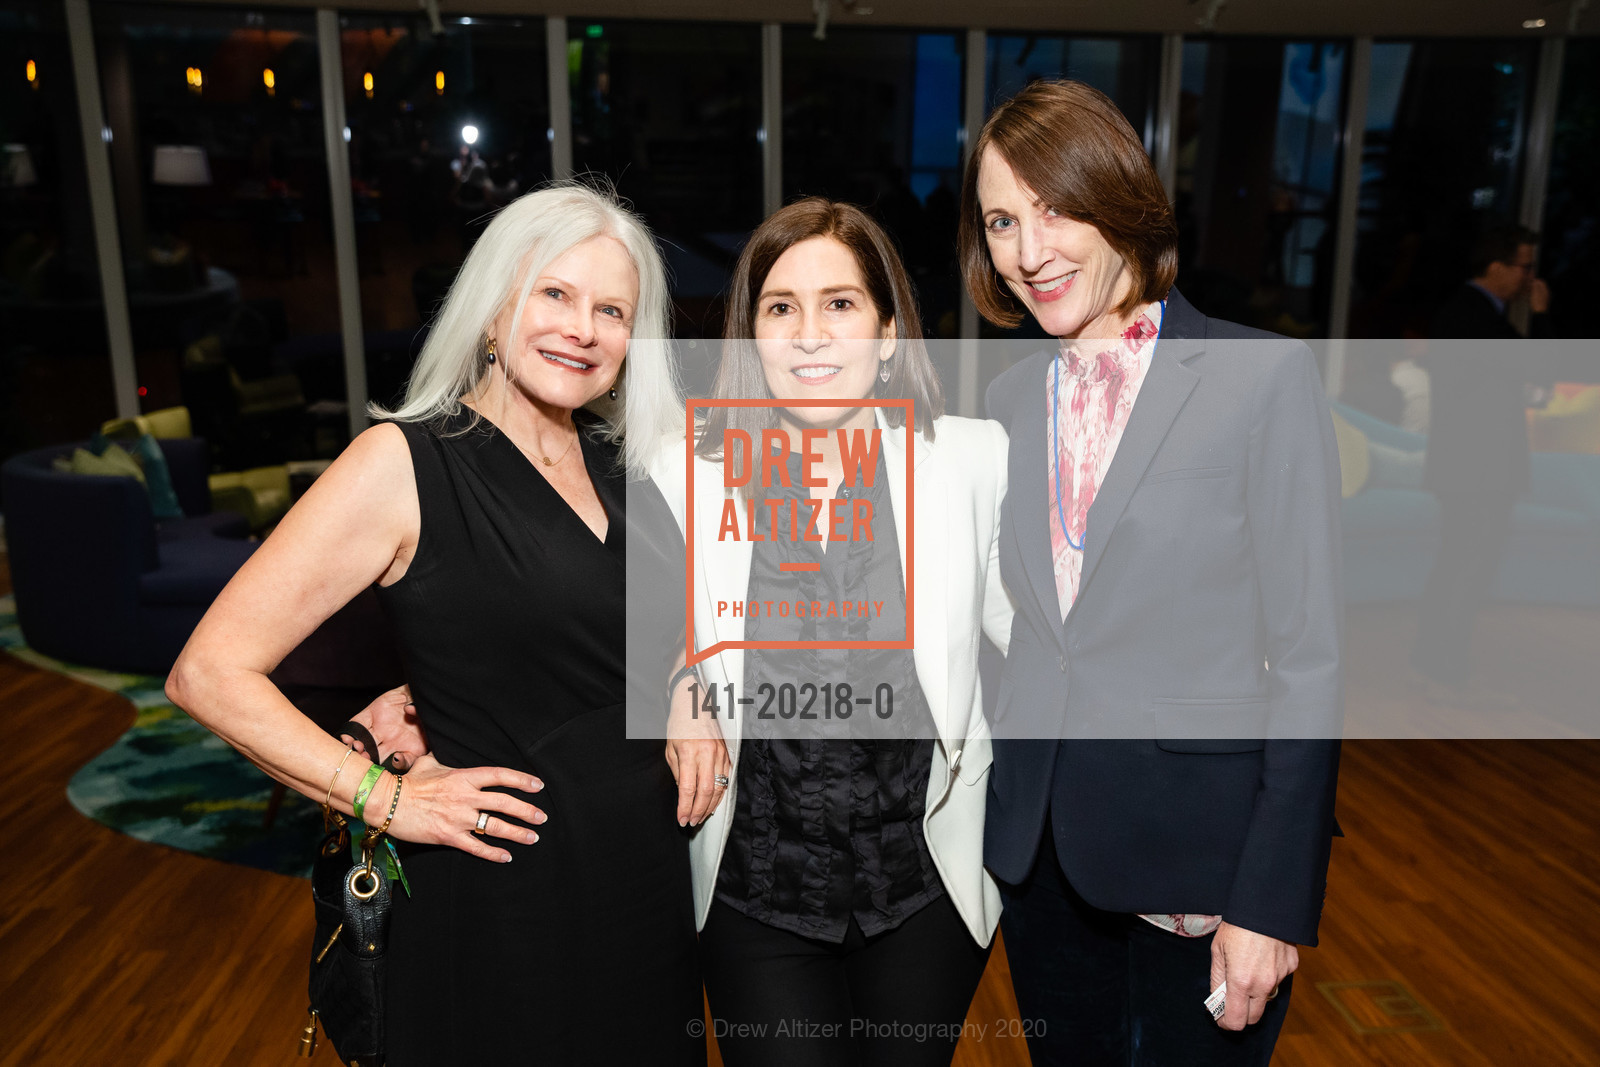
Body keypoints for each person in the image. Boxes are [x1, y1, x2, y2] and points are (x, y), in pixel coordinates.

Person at [165, 184, 706, 1064]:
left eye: (613, 310)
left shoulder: (620, 458)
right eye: (555, 294)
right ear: (495, 308)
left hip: (641, 877)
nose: (584, 327)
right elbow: (209, 672)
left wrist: (687, 690)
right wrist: (387, 798)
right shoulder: (404, 462)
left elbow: (640, 626)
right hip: (502, 896)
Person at [959, 80, 1343, 1065]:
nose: (1028, 250)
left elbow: (1309, 659)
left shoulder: (1262, 380)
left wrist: (1269, 897)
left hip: (1203, 871)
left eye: (1053, 208)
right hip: (1043, 862)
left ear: (1118, 197)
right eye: (1002, 220)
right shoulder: (1009, 397)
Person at [651, 198, 1013, 1066]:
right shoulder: (679, 471)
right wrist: (681, 683)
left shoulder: (972, 460)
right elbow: (629, 625)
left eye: (841, 304)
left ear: (889, 333)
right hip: (754, 894)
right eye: (781, 308)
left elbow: (1047, 636)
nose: (810, 334)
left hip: (924, 889)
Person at [1411, 223, 1553, 708]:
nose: (1529, 277)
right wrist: (1541, 316)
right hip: (1479, 468)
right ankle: (1444, 667)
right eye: (1524, 266)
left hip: (1468, 466)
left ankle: (1439, 662)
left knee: (1459, 563)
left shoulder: (1470, 312)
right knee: (1468, 565)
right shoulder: (1475, 316)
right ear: (1497, 267)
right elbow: (1537, 364)